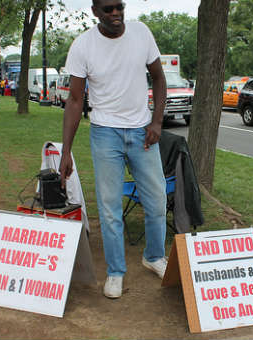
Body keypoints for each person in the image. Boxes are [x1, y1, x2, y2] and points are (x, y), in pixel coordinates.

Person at [59, 0, 167, 299]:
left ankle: (154, 256)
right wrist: (66, 151)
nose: (116, 13)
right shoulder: (83, 46)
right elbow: (76, 100)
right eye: (108, 9)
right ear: (95, 12)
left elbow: (159, 78)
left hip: (142, 131)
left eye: (119, 6)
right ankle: (116, 272)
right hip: (104, 132)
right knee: (109, 209)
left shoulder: (142, 33)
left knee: (157, 200)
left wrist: (157, 121)